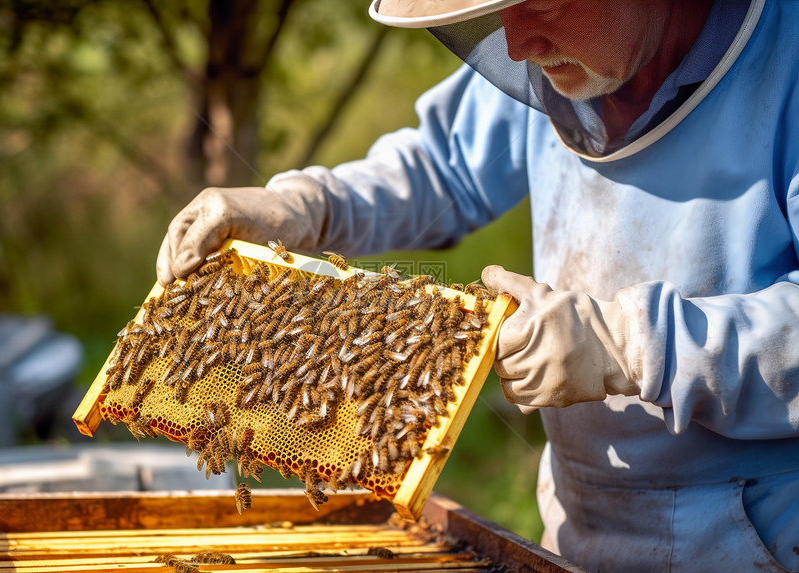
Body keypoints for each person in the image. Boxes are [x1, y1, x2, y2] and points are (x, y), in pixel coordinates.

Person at [156, 0, 799, 570]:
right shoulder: (557, 61)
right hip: (577, 526)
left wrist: (631, 345)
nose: (515, 43)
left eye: (540, 3)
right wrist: (308, 205)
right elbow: (443, 168)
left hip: (760, 537)